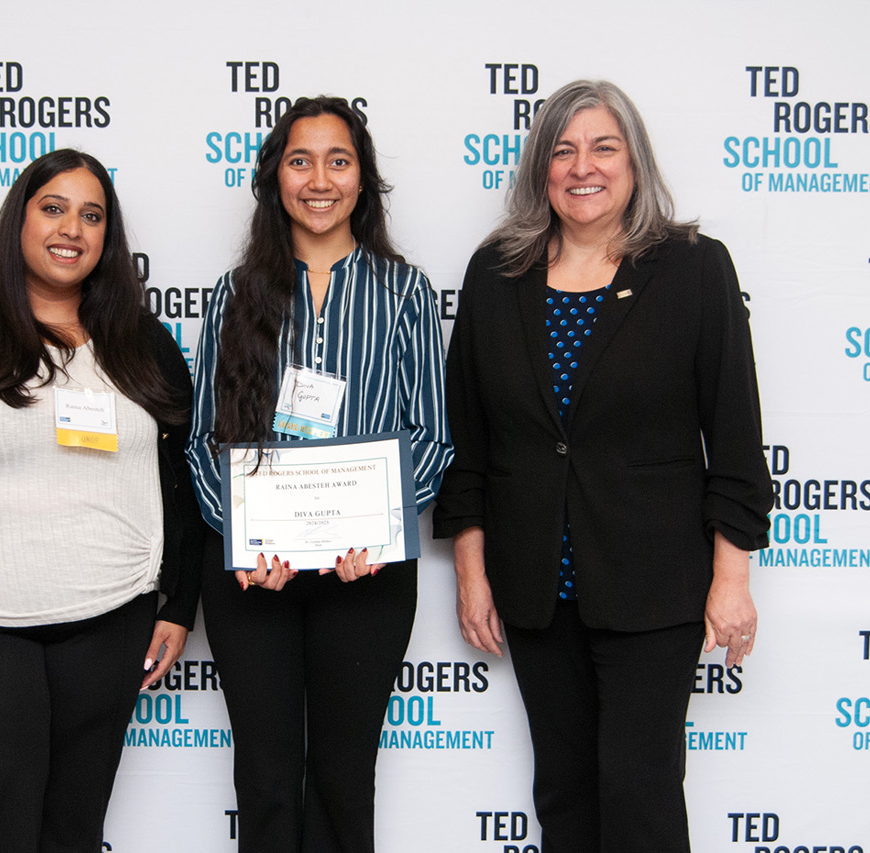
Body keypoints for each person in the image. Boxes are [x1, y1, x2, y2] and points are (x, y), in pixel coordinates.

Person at [433, 80, 773, 853]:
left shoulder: (693, 267)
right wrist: (471, 570)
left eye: (603, 147)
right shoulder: (496, 273)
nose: (582, 166)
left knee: (640, 792)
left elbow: (736, 434)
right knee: (563, 790)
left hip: (655, 585)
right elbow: (470, 439)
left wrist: (732, 578)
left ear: (634, 162)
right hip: (533, 584)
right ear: (540, 169)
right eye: (562, 150)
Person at [0, 148, 204, 852]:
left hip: (114, 620)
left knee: (73, 831)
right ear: (19, 219)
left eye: (92, 216)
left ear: (108, 238)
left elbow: (184, 474)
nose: (72, 230)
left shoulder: (141, 341)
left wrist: (178, 604)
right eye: (53, 208)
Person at [186, 95, 452, 852]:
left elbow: (430, 434)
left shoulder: (404, 293)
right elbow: (206, 440)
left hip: (365, 573)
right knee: (266, 781)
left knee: (343, 778)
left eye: (339, 161)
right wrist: (244, 541)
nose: (319, 179)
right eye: (300, 161)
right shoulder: (235, 292)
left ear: (363, 180)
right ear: (276, 179)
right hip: (251, 579)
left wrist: (381, 528)